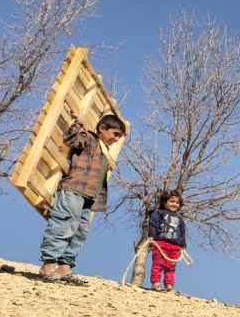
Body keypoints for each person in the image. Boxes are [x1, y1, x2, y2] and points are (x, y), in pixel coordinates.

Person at [36, 111, 126, 285]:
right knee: (63, 225)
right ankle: (48, 266)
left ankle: (64, 268)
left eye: (119, 136)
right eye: (115, 134)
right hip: (73, 189)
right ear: (102, 128)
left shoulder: (105, 151)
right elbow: (70, 140)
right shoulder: (89, 139)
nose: (116, 139)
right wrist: (79, 122)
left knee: (79, 232)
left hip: (89, 197)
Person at [148, 191, 188, 292]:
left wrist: (183, 246)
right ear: (164, 202)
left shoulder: (179, 219)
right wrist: (151, 236)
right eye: (171, 201)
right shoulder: (158, 213)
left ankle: (169, 286)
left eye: (177, 203)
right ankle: (156, 283)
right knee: (158, 263)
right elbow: (153, 224)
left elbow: (182, 233)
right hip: (161, 243)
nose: (174, 204)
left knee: (171, 266)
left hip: (175, 246)